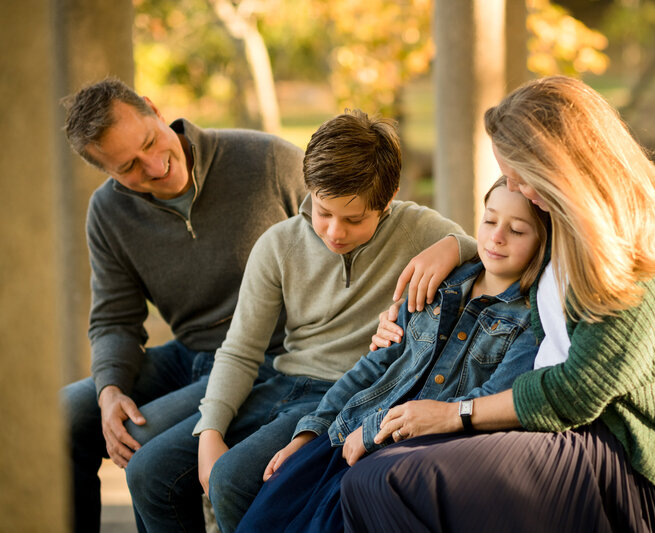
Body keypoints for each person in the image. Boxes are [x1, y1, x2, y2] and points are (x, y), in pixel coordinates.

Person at [343, 76, 655, 533]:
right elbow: (510, 246)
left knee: (386, 479)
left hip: (613, 451)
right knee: (373, 472)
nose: (512, 184)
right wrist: (458, 247)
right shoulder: (567, 219)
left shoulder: (634, 237)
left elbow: (579, 393)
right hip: (547, 425)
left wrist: (455, 415)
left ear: (559, 164)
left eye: (519, 173)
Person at [124, 109, 477, 533]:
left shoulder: (418, 229)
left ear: (388, 199)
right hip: (281, 383)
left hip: (346, 393)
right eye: (323, 211)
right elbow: (239, 350)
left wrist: (455, 247)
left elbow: (495, 254)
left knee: (233, 480)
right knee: (148, 474)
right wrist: (211, 429)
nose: (333, 232)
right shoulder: (279, 244)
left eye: (354, 218)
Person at [60, 77, 307, 533]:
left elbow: (351, 229)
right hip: (191, 353)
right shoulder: (109, 212)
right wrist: (110, 389)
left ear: (153, 109)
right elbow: (115, 317)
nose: (154, 167)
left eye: (151, 142)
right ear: (107, 173)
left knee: (142, 445)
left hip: (271, 357)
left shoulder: (268, 162)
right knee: (70, 411)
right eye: (128, 167)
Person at [235, 177, 547, 533]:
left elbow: (485, 405)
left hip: (397, 458)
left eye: (518, 230)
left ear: (544, 243)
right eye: (490, 220)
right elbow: (374, 365)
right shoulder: (440, 280)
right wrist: (309, 434)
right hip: (345, 431)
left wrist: (371, 433)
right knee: (264, 514)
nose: (496, 237)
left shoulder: (532, 321)